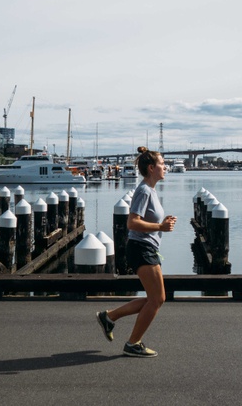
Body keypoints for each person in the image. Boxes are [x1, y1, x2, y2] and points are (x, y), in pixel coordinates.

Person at [96, 147, 177, 357]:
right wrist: (160, 227)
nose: (165, 167)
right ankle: (133, 343)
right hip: (141, 248)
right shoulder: (144, 191)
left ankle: (109, 317)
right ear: (151, 168)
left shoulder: (151, 190)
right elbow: (132, 223)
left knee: (155, 299)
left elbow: (145, 220)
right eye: (162, 164)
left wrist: (162, 223)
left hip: (147, 248)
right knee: (157, 299)